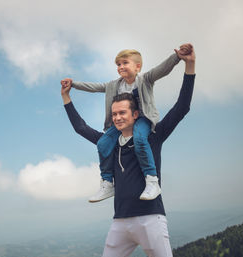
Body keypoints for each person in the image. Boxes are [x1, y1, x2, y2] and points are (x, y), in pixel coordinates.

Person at [61, 46, 196, 257]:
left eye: (122, 113)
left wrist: (189, 64)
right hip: (120, 221)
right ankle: (107, 183)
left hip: (150, 218)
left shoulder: (153, 136)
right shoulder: (111, 143)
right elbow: (80, 127)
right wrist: (67, 96)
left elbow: (182, 106)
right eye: (114, 114)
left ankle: (152, 182)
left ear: (135, 114)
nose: (117, 117)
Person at [61, 44, 192, 203]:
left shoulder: (145, 79)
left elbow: (161, 70)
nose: (121, 67)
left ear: (137, 67)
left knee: (139, 138)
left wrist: (177, 57)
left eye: (125, 63)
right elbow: (94, 87)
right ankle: (108, 182)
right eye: (118, 64)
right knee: (103, 143)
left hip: (142, 119)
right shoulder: (114, 85)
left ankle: (151, 180)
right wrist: (73, 85)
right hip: (125, 126)